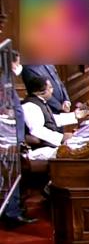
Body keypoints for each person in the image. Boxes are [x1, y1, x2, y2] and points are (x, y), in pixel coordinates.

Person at [1, 50, 35, 226]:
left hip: (14, 137)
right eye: (17, 62)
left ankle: (13, 210)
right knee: (8, 176)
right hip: (7, 139)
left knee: (13, 176)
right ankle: (11, 213)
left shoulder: (7, 80)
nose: (18, 66)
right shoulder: (2, 83)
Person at [20, 75, 79, 151]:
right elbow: (37, 131)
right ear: (40, 92)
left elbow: (50, 119)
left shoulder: (40, 101)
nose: (52, 90)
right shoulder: (29, 106)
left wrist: (75, 115)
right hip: (44, 149)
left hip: (52, 144)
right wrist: (61, 137)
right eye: (50, 88)